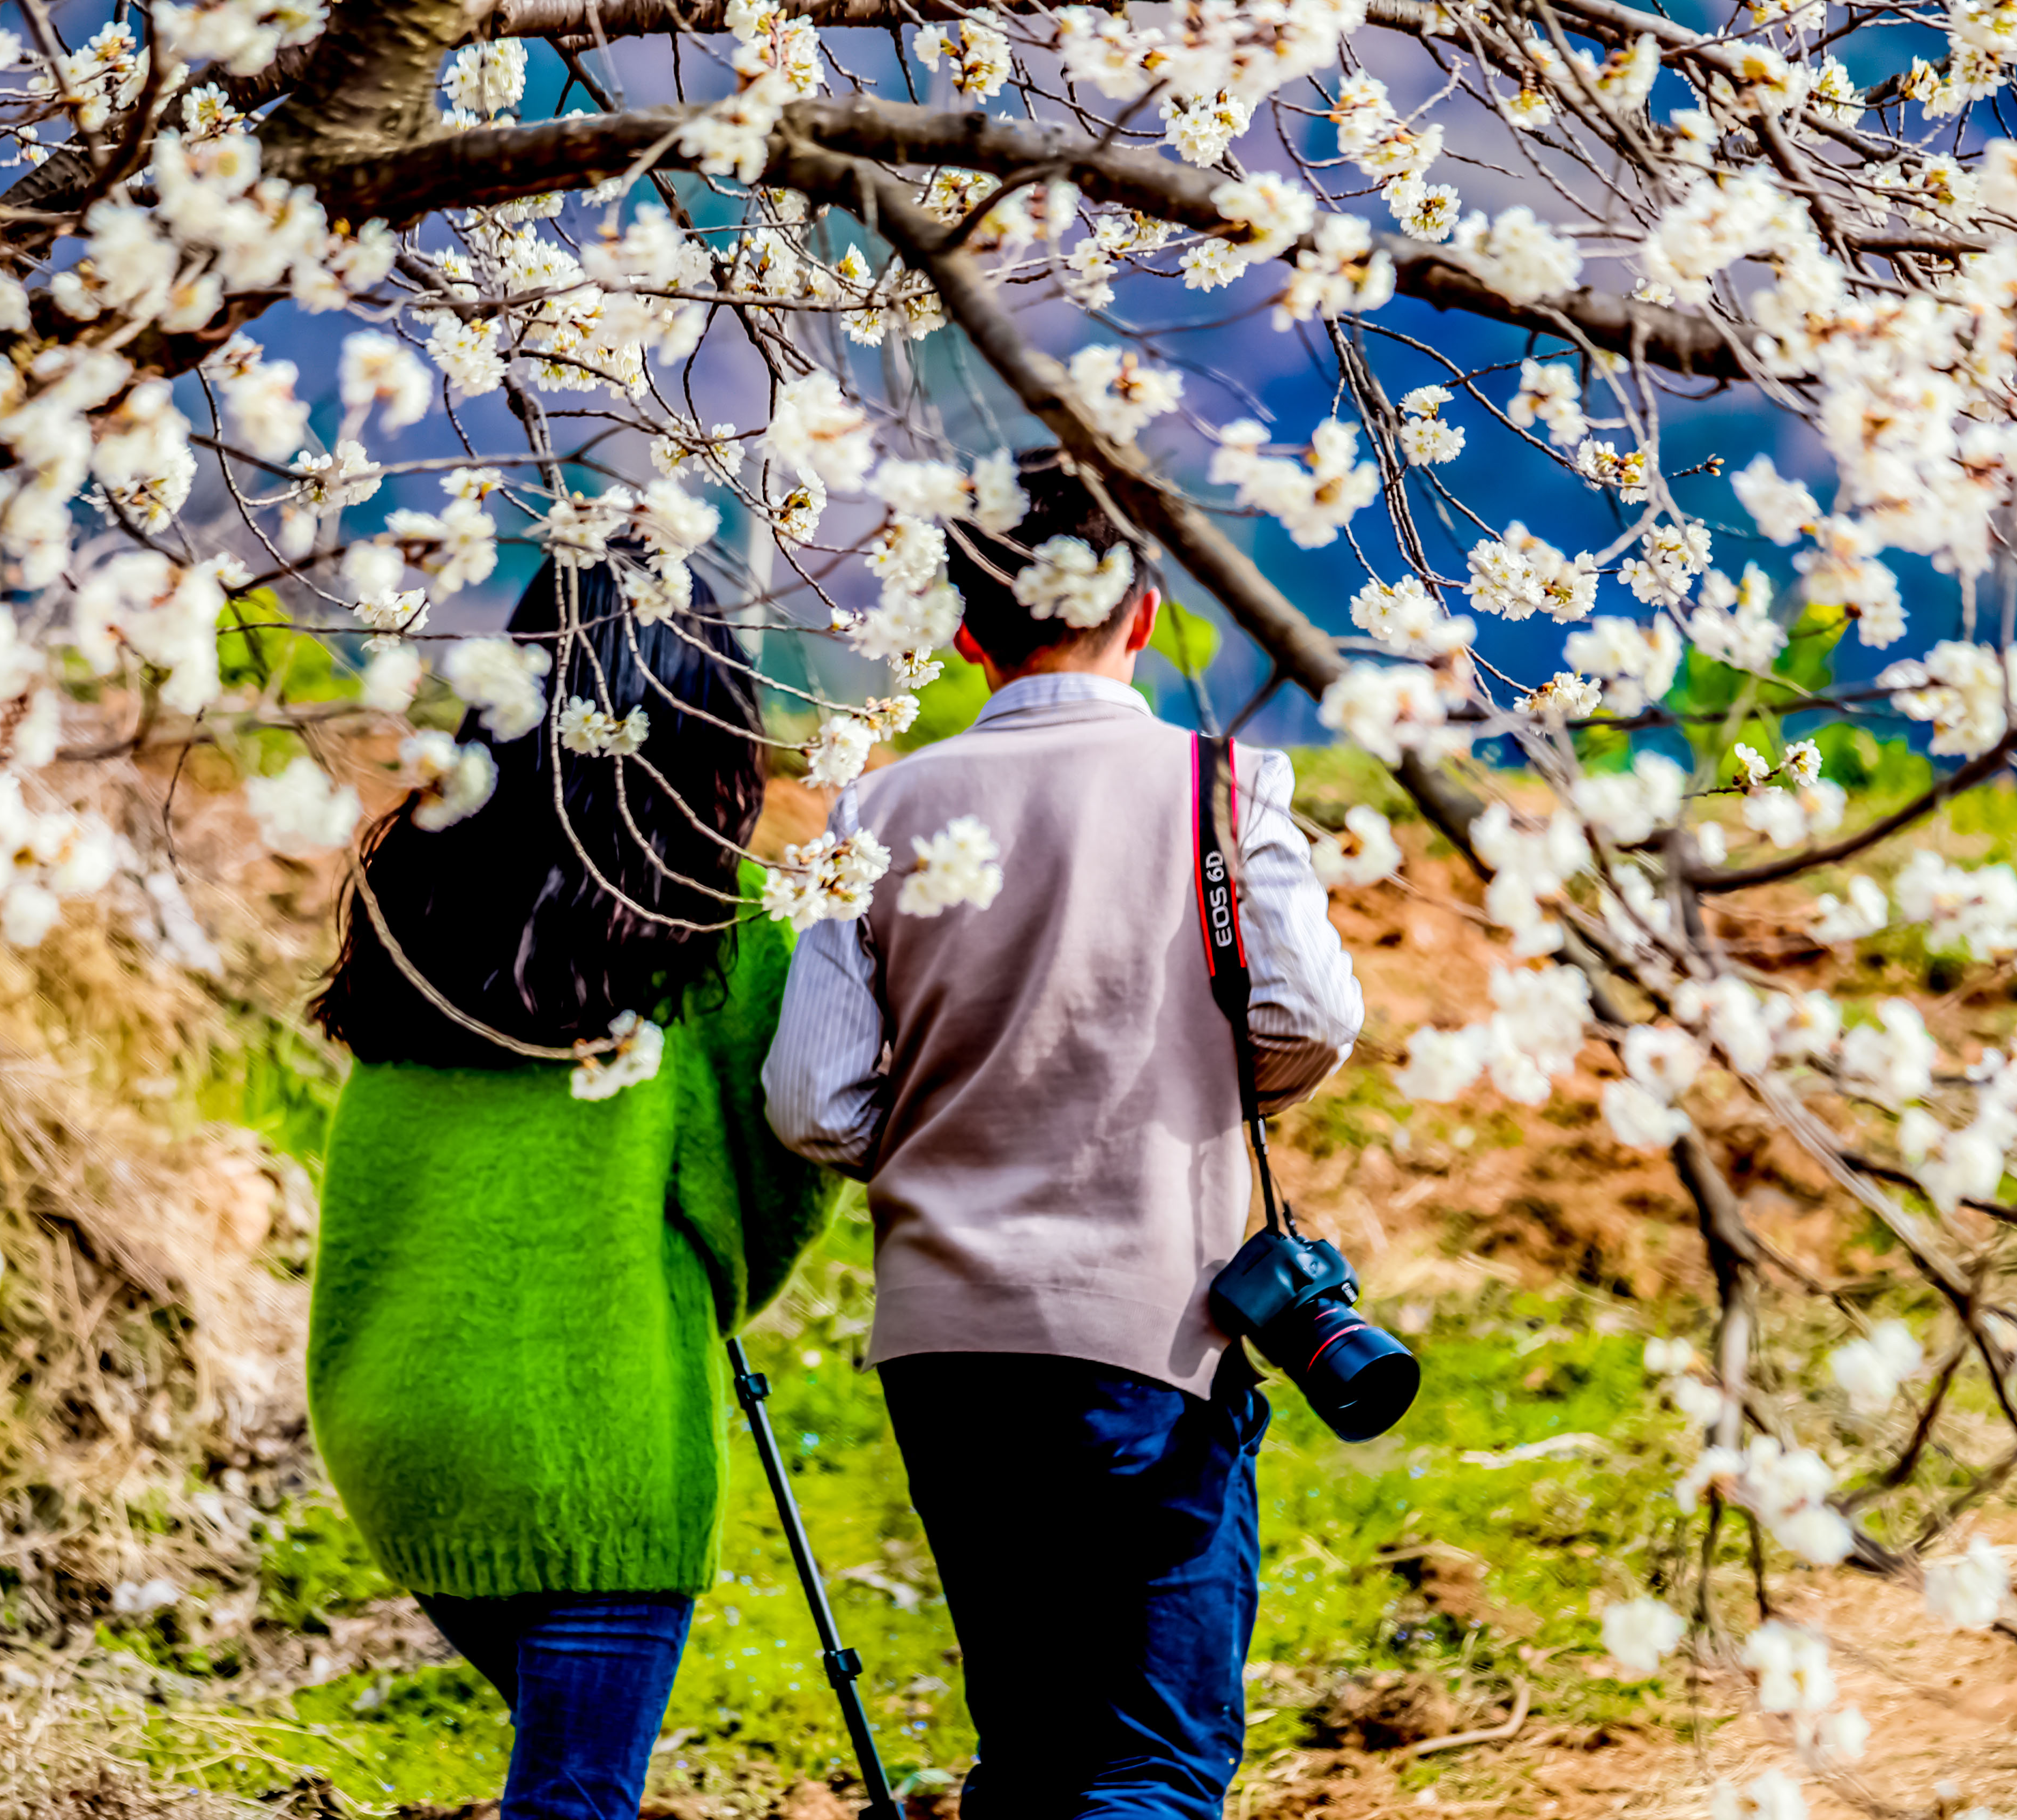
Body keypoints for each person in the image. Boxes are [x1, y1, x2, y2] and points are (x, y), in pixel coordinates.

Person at [764, 454, 1365, 1816]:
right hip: (1151, 1335)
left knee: (1030, 1750)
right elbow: (1314, 1017)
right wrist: (1202, 1092)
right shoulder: (1225, 785)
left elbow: (813, 1102)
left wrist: (953, 1129)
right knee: (1148, 1762)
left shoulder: (876, 812)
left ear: (965, 629)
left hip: (947, 1345)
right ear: (1142, 613)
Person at [306, 555, 836, 1819]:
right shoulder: (731, 929)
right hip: (590, 1451)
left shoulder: (417, 892)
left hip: (397, 1426)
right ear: (719, 732)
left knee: (566, 1774)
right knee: (576, 1798)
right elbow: (778, 1184)